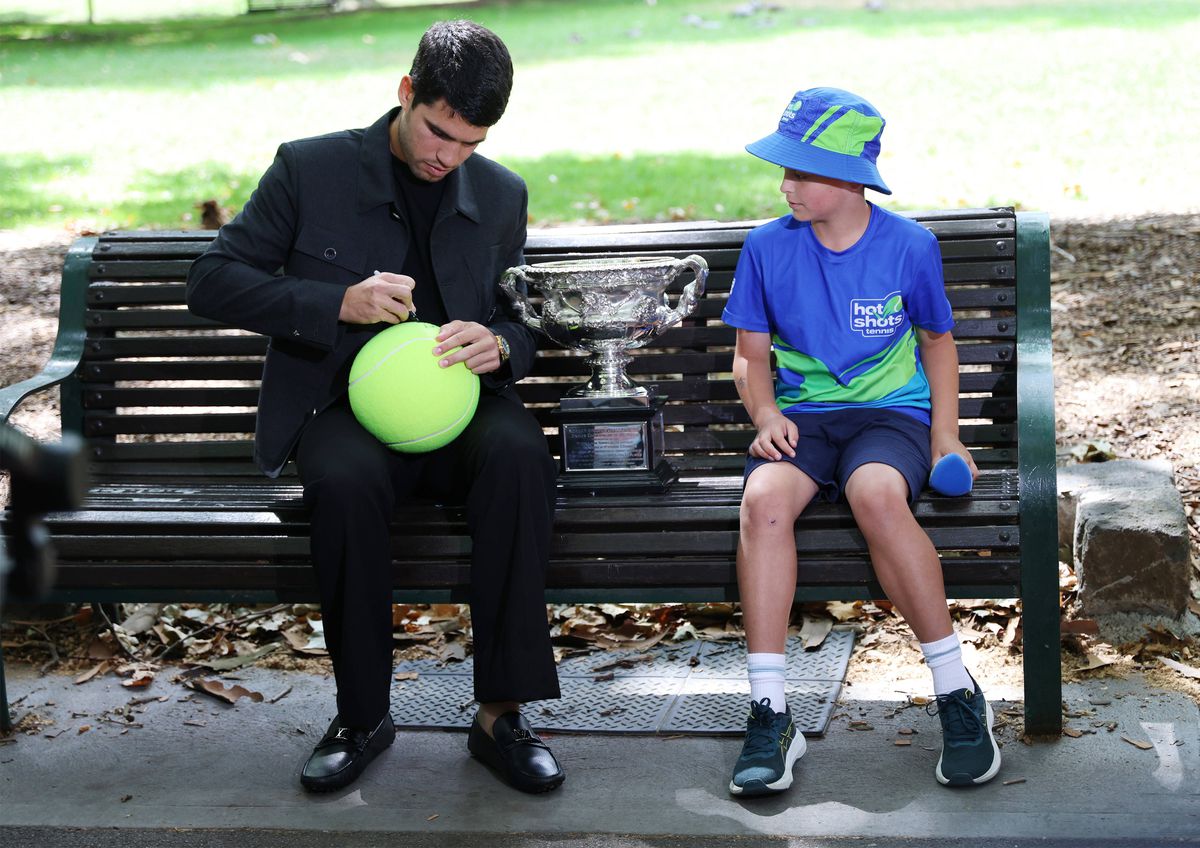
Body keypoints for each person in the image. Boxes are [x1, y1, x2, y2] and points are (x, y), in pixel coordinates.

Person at [186, 20, 565, 795]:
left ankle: (502, 714)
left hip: (459, 412)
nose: (447, 156)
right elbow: (211, 280)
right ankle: (362, 717)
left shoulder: (501, 194)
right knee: (345, 486)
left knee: (523, 457)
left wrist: (503, 345)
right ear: (405, 93)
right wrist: (336, 302)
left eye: (469, 141)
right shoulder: (309, 169)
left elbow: (525, 318)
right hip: (342, 411)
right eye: (437, 132)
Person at [721, 87, 1002, 796]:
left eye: (802, 172)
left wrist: (946, 437)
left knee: (877, 492)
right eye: (782, 170)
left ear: (850, 180)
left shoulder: (909, 246)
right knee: (762, 501)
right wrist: (764, 416)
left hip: (891, 417)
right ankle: (769, 712)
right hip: (806, 418)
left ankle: (955, 693)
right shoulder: (765, 247)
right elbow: (750, 357)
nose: (786, 184)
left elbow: (938, 343)